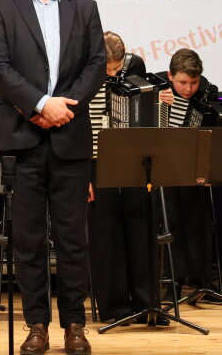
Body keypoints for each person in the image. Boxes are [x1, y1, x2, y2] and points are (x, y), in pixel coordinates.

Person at [0, 0, 105, 355]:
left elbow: (96, 63)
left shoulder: (84, 7)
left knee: (73, 240)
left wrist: (63, 108)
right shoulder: (1, 7)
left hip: (70, 135)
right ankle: (36, 324)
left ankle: (75, 325)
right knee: (29, 241)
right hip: (23, 139)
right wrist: (39, 104)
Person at [87, 32, 152, 324]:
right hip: (95, 160)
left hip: (131, 160)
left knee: (140, 229)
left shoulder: (135, 66)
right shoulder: (81, 73)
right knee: (106, 235)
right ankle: (114, 307)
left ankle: (146, 304)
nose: (112, 74)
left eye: (116, 68)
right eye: (107, 69)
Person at [156, 48, 219, 298]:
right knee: (170, 222)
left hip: (194, 169)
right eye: (182, 82)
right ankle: (173, 281)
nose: (189, 88)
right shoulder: (156, 87)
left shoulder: (208, 91)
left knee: (199, 221)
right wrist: (157, 103)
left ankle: (203, 281)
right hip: (164, 169)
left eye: (194, 82)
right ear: (170, 76)